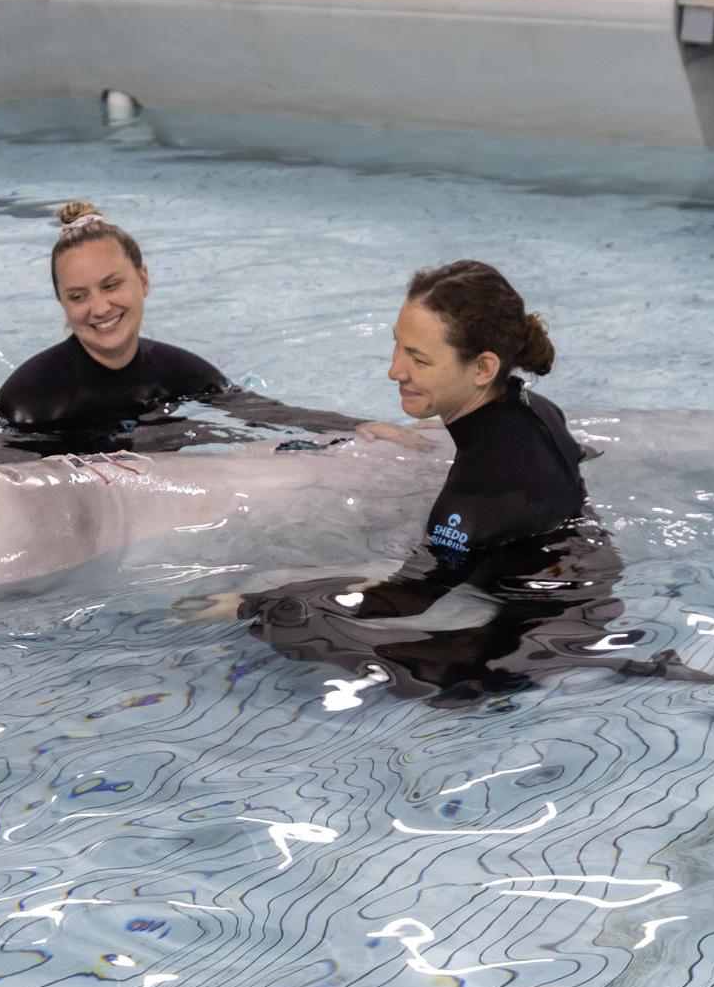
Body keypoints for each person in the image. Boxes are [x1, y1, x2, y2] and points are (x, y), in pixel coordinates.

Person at [233, 260, 683, 703]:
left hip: (531, 643)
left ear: (483, 367)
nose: (395, 370)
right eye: (397, 347)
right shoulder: (534, 406)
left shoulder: (475, 492)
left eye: (418, 358)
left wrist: (262, 600)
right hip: (588, 580)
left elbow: (413, 596)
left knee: (293, 622)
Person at [0, 201, 361, 469]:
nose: (101, 308)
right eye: (78, 295)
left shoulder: (181, 371)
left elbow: (263, 413)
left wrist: (362, 429)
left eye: (112, 285)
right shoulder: (31, 398)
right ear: (63, 305)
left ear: (143, 280)